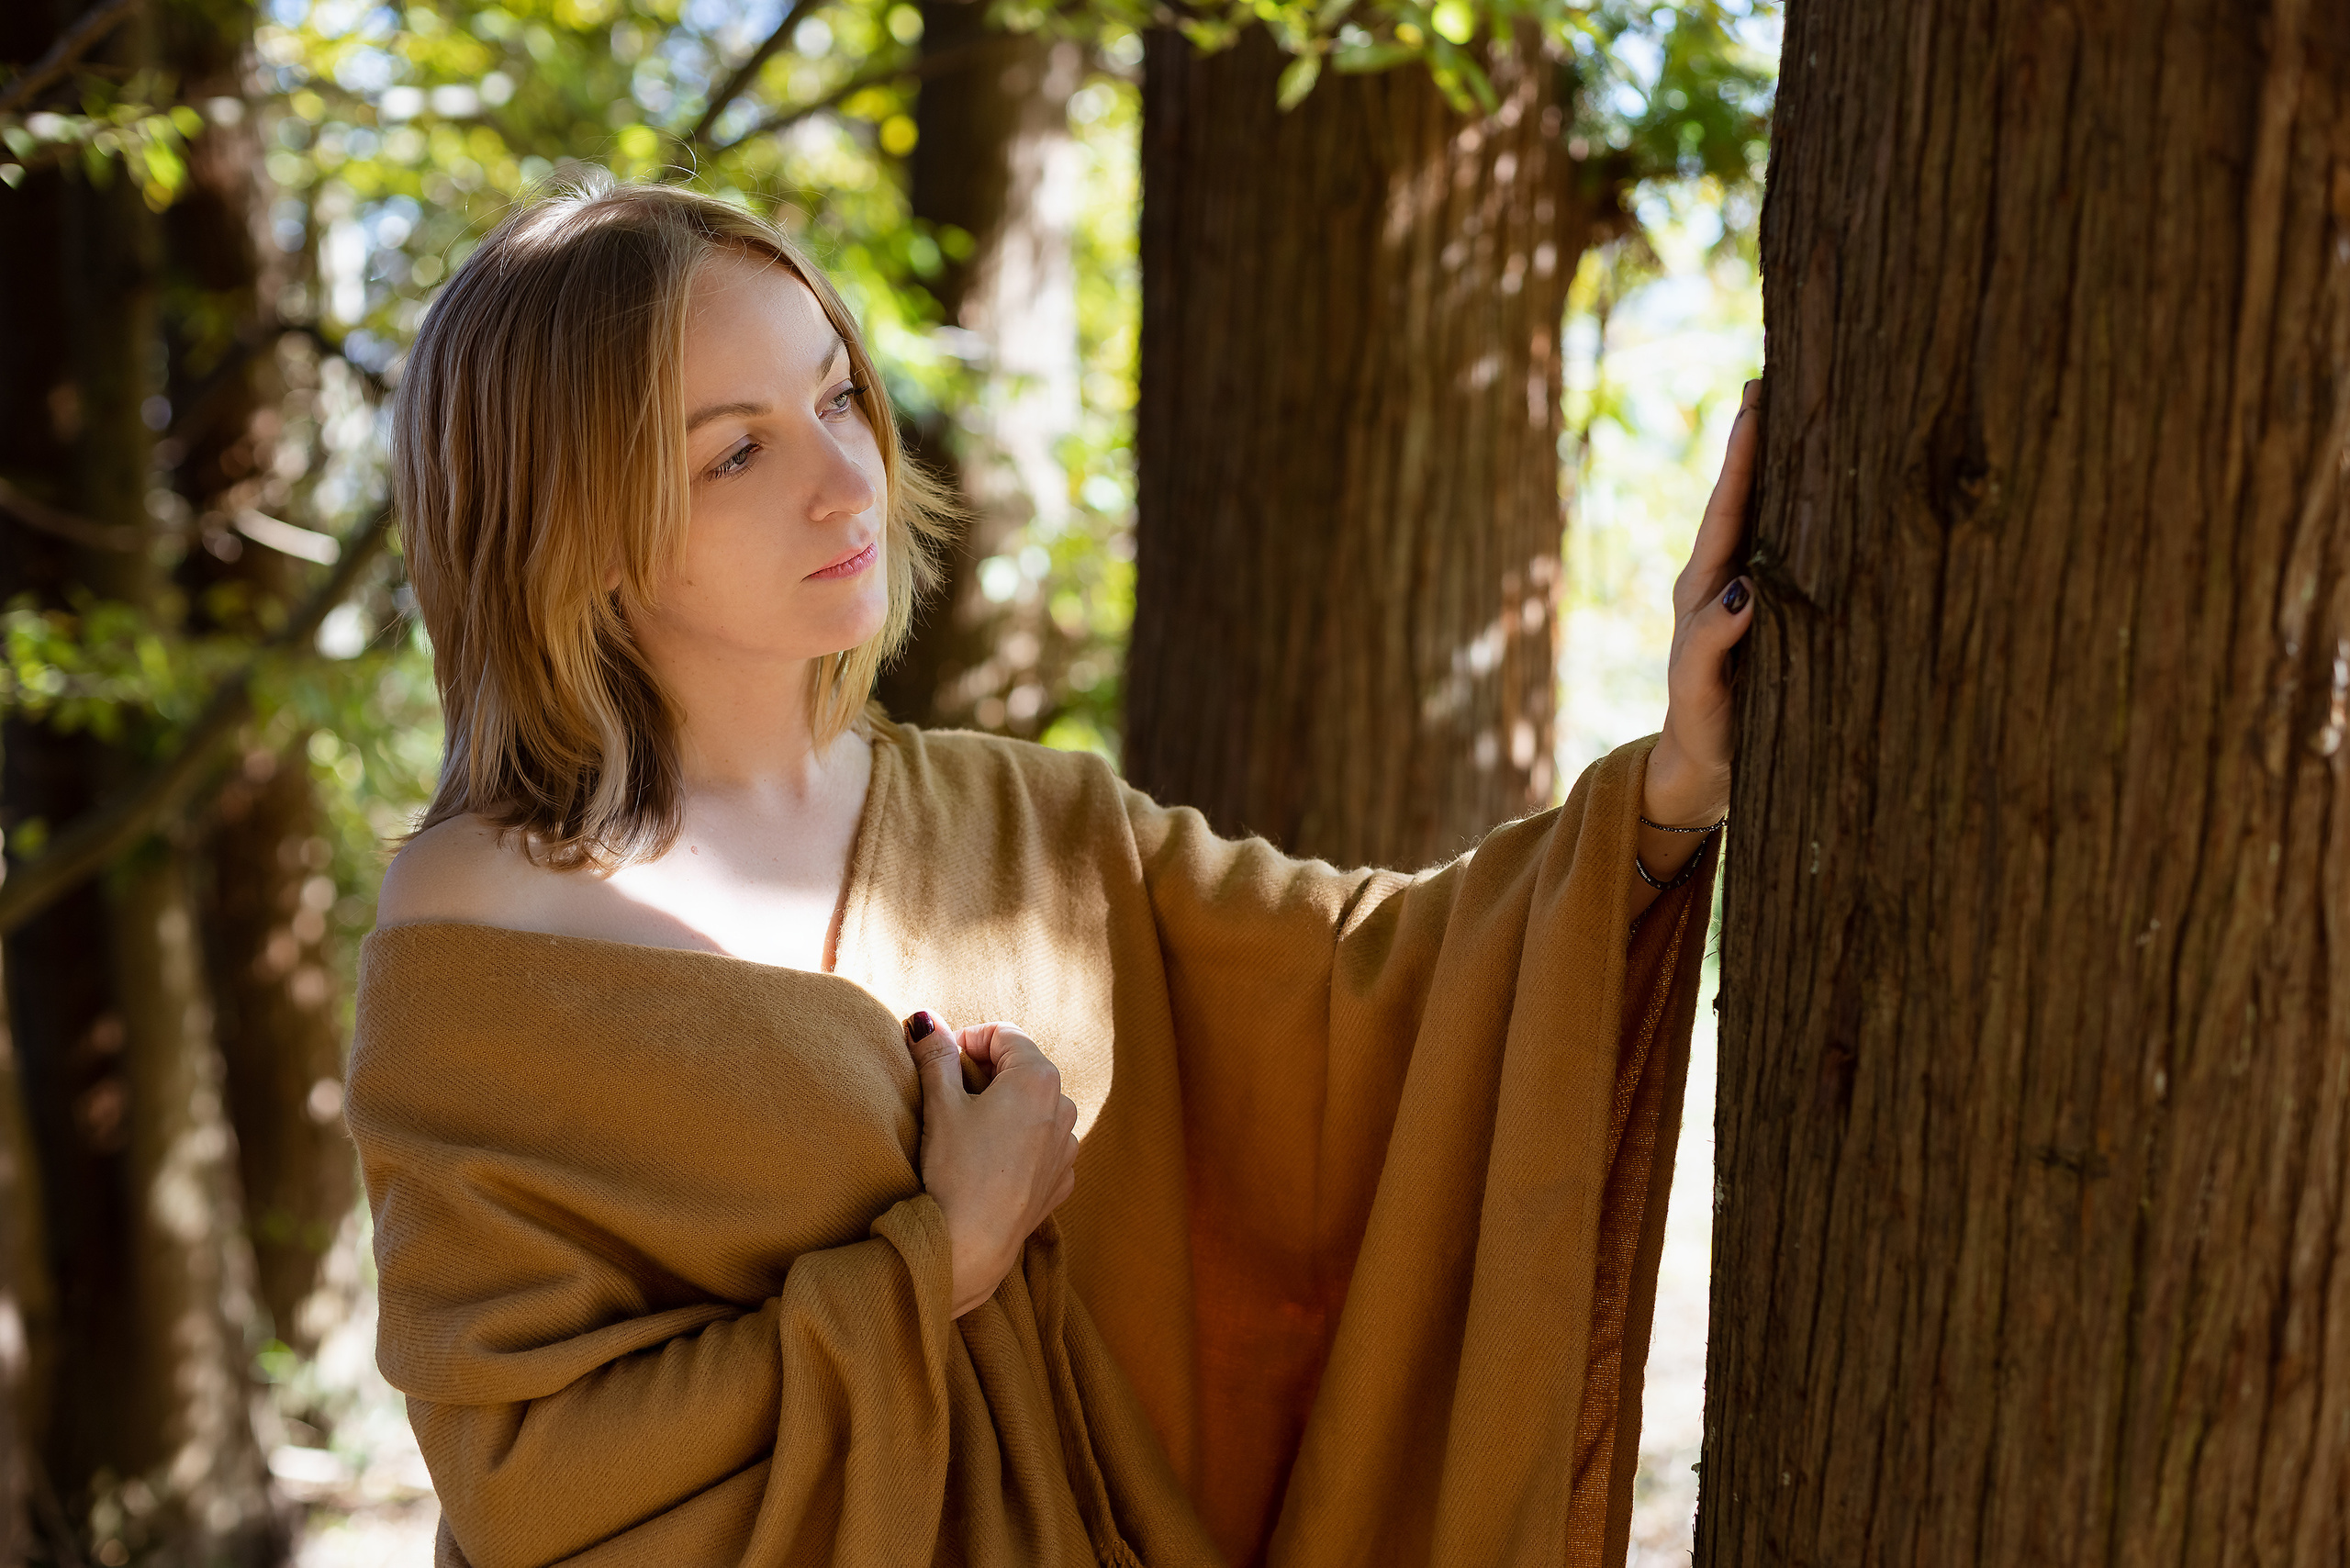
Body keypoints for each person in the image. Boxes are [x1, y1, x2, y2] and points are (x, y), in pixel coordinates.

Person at [349, 174, 1757, 1568]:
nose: (849, 480)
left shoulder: (1033, 827)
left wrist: (1669, 787)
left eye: (839, 397)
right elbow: (529, 1485)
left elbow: (1375, 998)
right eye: (737, 453)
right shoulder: (487, 919)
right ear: (570, 525)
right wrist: (939, 1264)